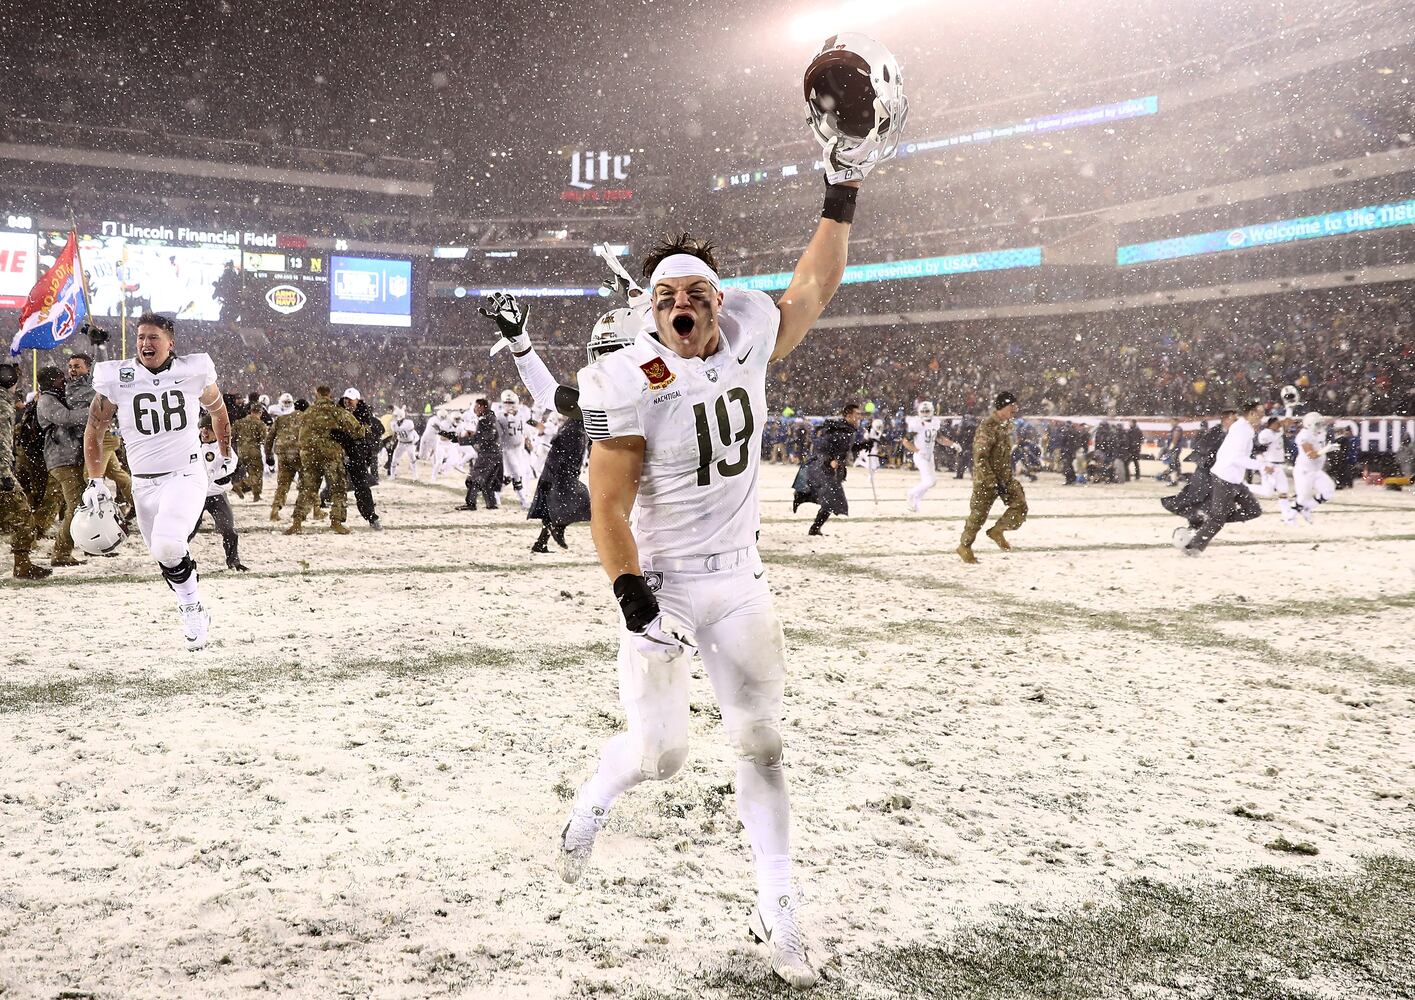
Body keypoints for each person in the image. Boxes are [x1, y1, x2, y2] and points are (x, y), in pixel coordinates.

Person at [558, 216, 864, 986]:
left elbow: (814, 285)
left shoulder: (748, 334)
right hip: (664, 583)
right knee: (660, 756)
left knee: (762, 742)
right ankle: (594, 798)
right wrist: (632, 597)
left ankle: (777, 902)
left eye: (696, 293)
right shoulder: (624, 377)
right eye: (666, 296)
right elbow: (606, 505)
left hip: (739, 576)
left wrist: (841, 191)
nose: (681, 306)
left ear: (719, 303)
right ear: (649, 310)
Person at [84, 312, 230, 649]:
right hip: (143, 483)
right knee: (165, 556)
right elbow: (95, 428)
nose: (145, 343)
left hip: (185, 474)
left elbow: (219, 412)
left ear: (170, 342)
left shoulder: (192, 372)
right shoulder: (118, 377)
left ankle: (192, 609)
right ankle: (190, 602)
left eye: (153, 337)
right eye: (141, 338)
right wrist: (96, 480)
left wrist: (224, 453)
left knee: (168, 543)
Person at [1180, 400, 1267, 556]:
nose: (1262, 418)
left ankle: (1208, 521)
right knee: (1218, 519)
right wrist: (1262, 465)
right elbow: (1236, 458)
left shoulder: (1244, 428)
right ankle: (1192, 547)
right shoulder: (1242, 430)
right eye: (1260, 415)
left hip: (1233, 480)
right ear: (1252, 414)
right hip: (1225, 478)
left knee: (1253, 510)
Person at [284, 386, 365, 536]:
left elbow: (297, 433)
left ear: (317, 394)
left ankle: (297, 523)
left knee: (308, 489)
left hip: (310, 456)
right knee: (338, 488)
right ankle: (336, 522)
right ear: (329, 395)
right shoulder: (336, 411)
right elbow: (356, 430)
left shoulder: (308, 412)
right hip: (330, 455)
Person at [957, 391, 1027, 563]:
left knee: (1020, 505)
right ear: (1003, 407)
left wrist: (1005, 478)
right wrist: (990, 481)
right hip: (986, 480)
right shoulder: (988, 426)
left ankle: (998, 530)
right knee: (978, 516)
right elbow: (980, 457)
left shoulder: (1007, 425)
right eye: (1012, 406)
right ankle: (964, 546)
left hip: (1004, 477)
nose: (1015, 409)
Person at [35, 364, 90, 568]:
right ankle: (61, 552)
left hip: (69, 458)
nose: (64, 380)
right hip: (61, 460)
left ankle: (65, 549)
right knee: (76, 507)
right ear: (51, 381)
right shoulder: (47, 400)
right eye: (60, 378)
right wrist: (93, 410)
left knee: (73, 505)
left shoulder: (57, 397)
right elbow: (65, 419)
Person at [0, 359, 50, 579]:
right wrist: (3, 473)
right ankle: (22, 563)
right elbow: (1, 441)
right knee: (23, 516)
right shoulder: (2, 405)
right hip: (2, 473)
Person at [792, 403, 867, 535]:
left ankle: (814, 526)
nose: (860, 417)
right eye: (857, 414)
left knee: (831, 499)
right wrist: (830, 460)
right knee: (833, 499)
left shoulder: (848, 430)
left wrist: (863, 445)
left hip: (832, 470)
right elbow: (821, 447)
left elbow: (846, 448)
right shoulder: (839, 430)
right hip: (823, 468)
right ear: (849, 415)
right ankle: (812, 523)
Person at [192, 415, 247, 571]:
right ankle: (177, 562)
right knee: (188, 530)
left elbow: (232, 466)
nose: (204, 432)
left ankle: (234, 562)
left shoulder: (224, 447)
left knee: (228, 530)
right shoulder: (192, 446)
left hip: (217, 495)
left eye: (208, 429)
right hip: (196, 495)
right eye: (202, 428)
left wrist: (223, 478)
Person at [337, 387, 383, 531]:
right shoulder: (338, 413)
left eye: (350, 400)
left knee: (362, 488)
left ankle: (371, 517)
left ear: (357, 400)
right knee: (336, 487)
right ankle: (335, 519)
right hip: (340, 454)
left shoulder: (364, 415)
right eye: (346, 400)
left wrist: (366, 454)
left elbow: (370, 435)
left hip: (357, 456)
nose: (348, 403)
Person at [903, 400, 956, 512]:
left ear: (932, 411)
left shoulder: (935, 422)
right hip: (920, 456)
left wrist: (953, 444)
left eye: (927, 411)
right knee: (928, 482)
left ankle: (915, 504)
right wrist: (917, 450)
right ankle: (911, 493)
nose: (925, 413)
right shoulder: (917, 423)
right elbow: (905, 441)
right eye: (923, 411)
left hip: (929, 456)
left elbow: (940, 439)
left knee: (931, 482)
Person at [453, 398, 501, 511]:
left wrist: (461, 440)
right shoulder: (491, 417)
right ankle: (491, 503)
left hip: (488, 453)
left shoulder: (484, 420)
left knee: (474, 478)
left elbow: (482, 438)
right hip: (495, 452)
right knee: (487, 480)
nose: (475, 409)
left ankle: (471, 503)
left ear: (482, 406)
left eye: (476, 406)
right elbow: (487, 435)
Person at [1291, 411, 1337, 523]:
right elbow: (1311, 455)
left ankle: (1307, 508)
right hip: (1304, 471)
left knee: (1329, 490)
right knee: (1301, 498)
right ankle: (1289, 517)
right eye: (1317, 424)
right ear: (1310, 425)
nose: (1320, 426)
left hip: (1316, 470)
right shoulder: (1303, 435)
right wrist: (1325, 450)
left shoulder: (1320, 433)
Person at [1249, 415, 1295, 524]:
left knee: (1283, 491)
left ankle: (1286, 516)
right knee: (1268, 492)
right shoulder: (1265, 434)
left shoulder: (1277, 433)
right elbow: (1259, 450)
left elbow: (1288, 423)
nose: (1279, 425)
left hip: (1278, 466)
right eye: (1277, 423)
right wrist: (1264, 465)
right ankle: (1246, 486)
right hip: (1269, 465)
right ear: (1271, 424)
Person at [265, 397, 304, 520]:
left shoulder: (281, 419)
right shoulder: (306, 419)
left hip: (283, 453)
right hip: (299, 453)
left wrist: (268, 455)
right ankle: (308, 511)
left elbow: (269, 438)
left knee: (283, 484)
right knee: (307, 483)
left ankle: (275, 510)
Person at [496, 390, 536, 507]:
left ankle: (495, 493)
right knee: (517, 474)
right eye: (506, 403)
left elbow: (526, 431)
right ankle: (523, 501)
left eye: (511, 402)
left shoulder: (522, 415)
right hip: (507, 450)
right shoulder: (500, 416)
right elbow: (497, 435)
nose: (509, 405)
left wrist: (529, 443)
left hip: (519, 450)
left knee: (510, 476)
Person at [231, 400, 266, 501]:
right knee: (257, 473)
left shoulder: (239, 422)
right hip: (254, 450)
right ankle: (241, 485)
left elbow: (232, 436)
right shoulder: (260, 424)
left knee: (250, 471)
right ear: (260, 412)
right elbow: (264, 439)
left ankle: (256, 496)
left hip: (241, 451)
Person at [389, 406, 419, 478]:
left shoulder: (408, 423)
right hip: (401, 443)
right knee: (394, 459)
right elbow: (396, 433)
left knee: (412, 458)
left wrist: (414, 441)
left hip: (409, 443)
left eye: (396, 416)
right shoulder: (394, 424)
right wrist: (392, 441)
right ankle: (392, 475)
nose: (394, 417)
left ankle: (415, 474)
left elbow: (414, 433)